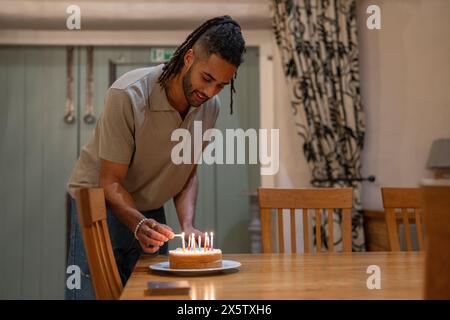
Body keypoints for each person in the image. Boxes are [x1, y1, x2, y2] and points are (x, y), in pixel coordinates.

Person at [65, 15, 246, 299]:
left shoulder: (211, 107)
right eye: (207, 78)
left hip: (149, 210)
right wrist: (136, 223)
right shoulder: (127, 95)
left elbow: (187, 174)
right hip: (101, 206)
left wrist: (187, 225)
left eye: (221, 85)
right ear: (189, 58)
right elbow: (110, 182)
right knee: (91, 294)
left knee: (150, 294)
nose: (210, 92)